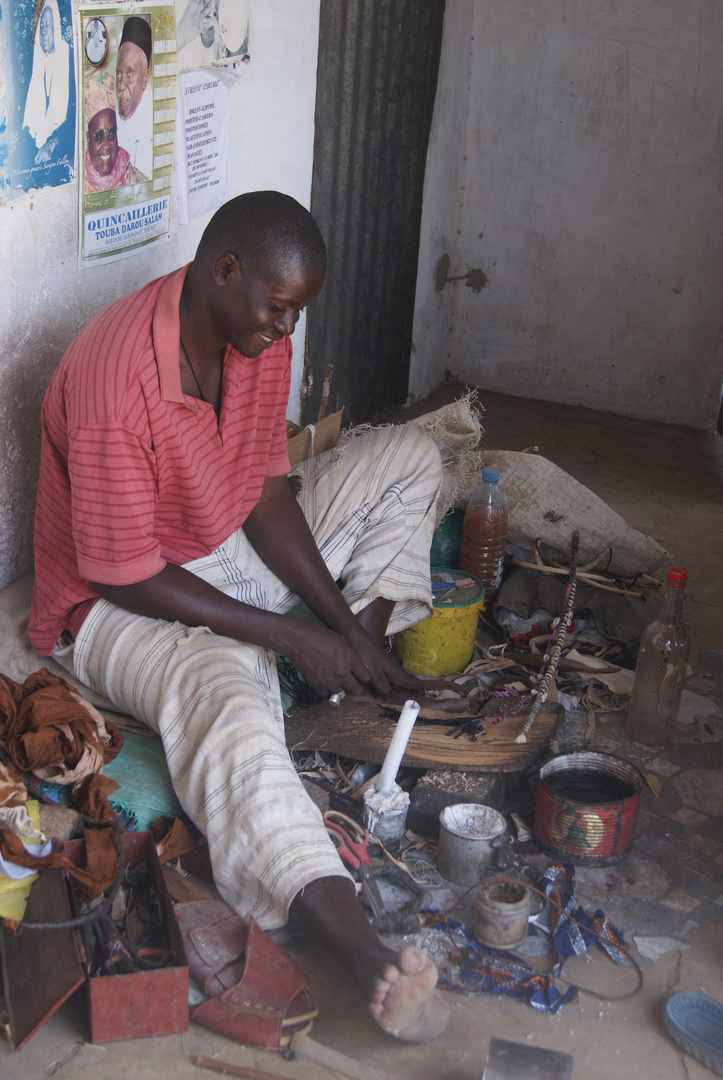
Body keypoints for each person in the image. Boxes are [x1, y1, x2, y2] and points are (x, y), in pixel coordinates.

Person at [29, 191, 451, 1043]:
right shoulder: (120, 378)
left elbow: (263, 494)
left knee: (411, 457)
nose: (286, 334)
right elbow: (124, 574)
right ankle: (352, 941)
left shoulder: (250, 336)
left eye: (296, 315)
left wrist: (335, 625)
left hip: (218, 545)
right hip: (113, 603)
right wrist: (286, 632)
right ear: (224, 270)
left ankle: (342, 667)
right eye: (280, 310)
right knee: (227, 697)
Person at [83, 70, 148, 193]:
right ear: (88, 139)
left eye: (112, 133)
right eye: (99, 136)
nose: (107, 145)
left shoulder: (133, 178)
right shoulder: (80, 181)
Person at [22, 0, 70, 165]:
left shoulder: (66, 59)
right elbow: (28, 123)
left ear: (56, 28)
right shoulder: (34, 63)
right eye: (41, 26)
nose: (44, 32)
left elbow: (71, 120)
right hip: (34, 153)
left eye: (48, 26)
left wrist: (52, 144)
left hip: (62, 151)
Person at [115, 15, 153, 179]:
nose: (121, 85)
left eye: (130, 73)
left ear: (145, 78)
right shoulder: (110, 116)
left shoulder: (148, 134)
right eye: (118, 73)